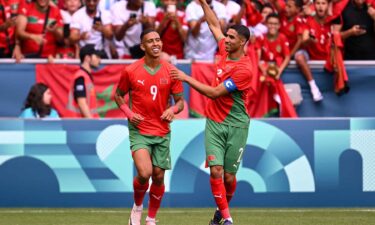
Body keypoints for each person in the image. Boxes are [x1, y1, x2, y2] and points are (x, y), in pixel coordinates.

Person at [170, 0, 254, 224]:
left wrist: (186, 78)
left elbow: (216, 93)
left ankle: (219, 213)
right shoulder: (224, 50)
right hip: (215, 123)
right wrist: (203, 3)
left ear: (243, 42)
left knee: (229, 176)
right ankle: (227, 219)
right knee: (216, 170)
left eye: (232, 38)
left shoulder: (245, 69)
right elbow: (214, 24)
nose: (226, 39)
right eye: (226, 36)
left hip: (237, 125)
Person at [114, 28, 184, 225]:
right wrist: (129, 114)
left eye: (158, 40)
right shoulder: (130, 71)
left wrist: (173, 110)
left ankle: (151, 219)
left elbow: (180, 102)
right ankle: (137, 207)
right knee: (145, 173)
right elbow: (118, 96)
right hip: (140, 129)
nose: (156, 44)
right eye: (151, 41)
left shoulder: (170, 70)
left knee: (159, 177)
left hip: (162, 130)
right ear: (142, 46)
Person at [66, 44, 101, 118]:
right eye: (97, 57)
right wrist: (92, 122)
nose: (99, 60)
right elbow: (82, 103)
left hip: (83, 122)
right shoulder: (81, 77)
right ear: (87, 58)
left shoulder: (85, 76)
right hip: (80, 123)